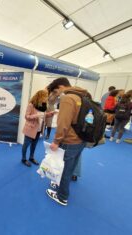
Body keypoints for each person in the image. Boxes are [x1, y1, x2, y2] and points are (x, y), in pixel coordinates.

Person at [46, 77, 88, 206]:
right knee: (70, 167)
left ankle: (62, 196)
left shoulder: (68, 98)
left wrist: (56, 141)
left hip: (70, 140)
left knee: (65, 169)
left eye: (55, 92)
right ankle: (60, 186)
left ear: (60, 87)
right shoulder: (83, 95)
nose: (57, 95)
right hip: (81, 139)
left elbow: (63, 124)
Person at [21, 90, 55, 167]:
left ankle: (31, 157)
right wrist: (36, 115)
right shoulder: (31, 105)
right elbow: (26, 117)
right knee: (26, 145)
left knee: (34, 145)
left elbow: (43, 115)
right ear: (40, 96)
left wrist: (49, 114)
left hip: (39, 129)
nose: (47, 98)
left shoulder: (43, 105)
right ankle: (23, 159)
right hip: (30, 129)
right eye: (45, 96)